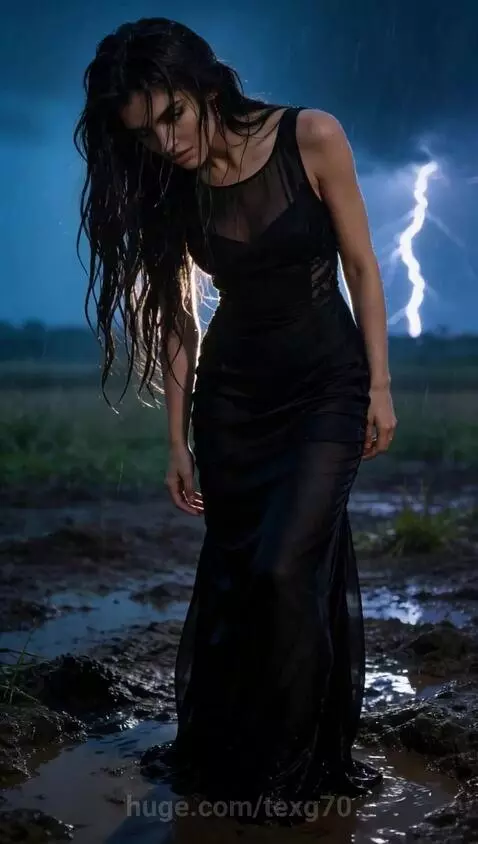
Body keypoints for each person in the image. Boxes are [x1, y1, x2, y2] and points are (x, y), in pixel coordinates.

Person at [74, 16, 397, 825]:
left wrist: (381, 387)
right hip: (233, 402)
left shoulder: (310, 135)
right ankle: (241, 750)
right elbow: (180, 323)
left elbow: (361, 263)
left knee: (286, 567)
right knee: (239, 580)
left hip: (327, 387)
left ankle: (291, 778)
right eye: (145, 135)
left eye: (170, 118)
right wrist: (175, 438)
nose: (165, 143)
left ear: (203, 82)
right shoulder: (171, 189)